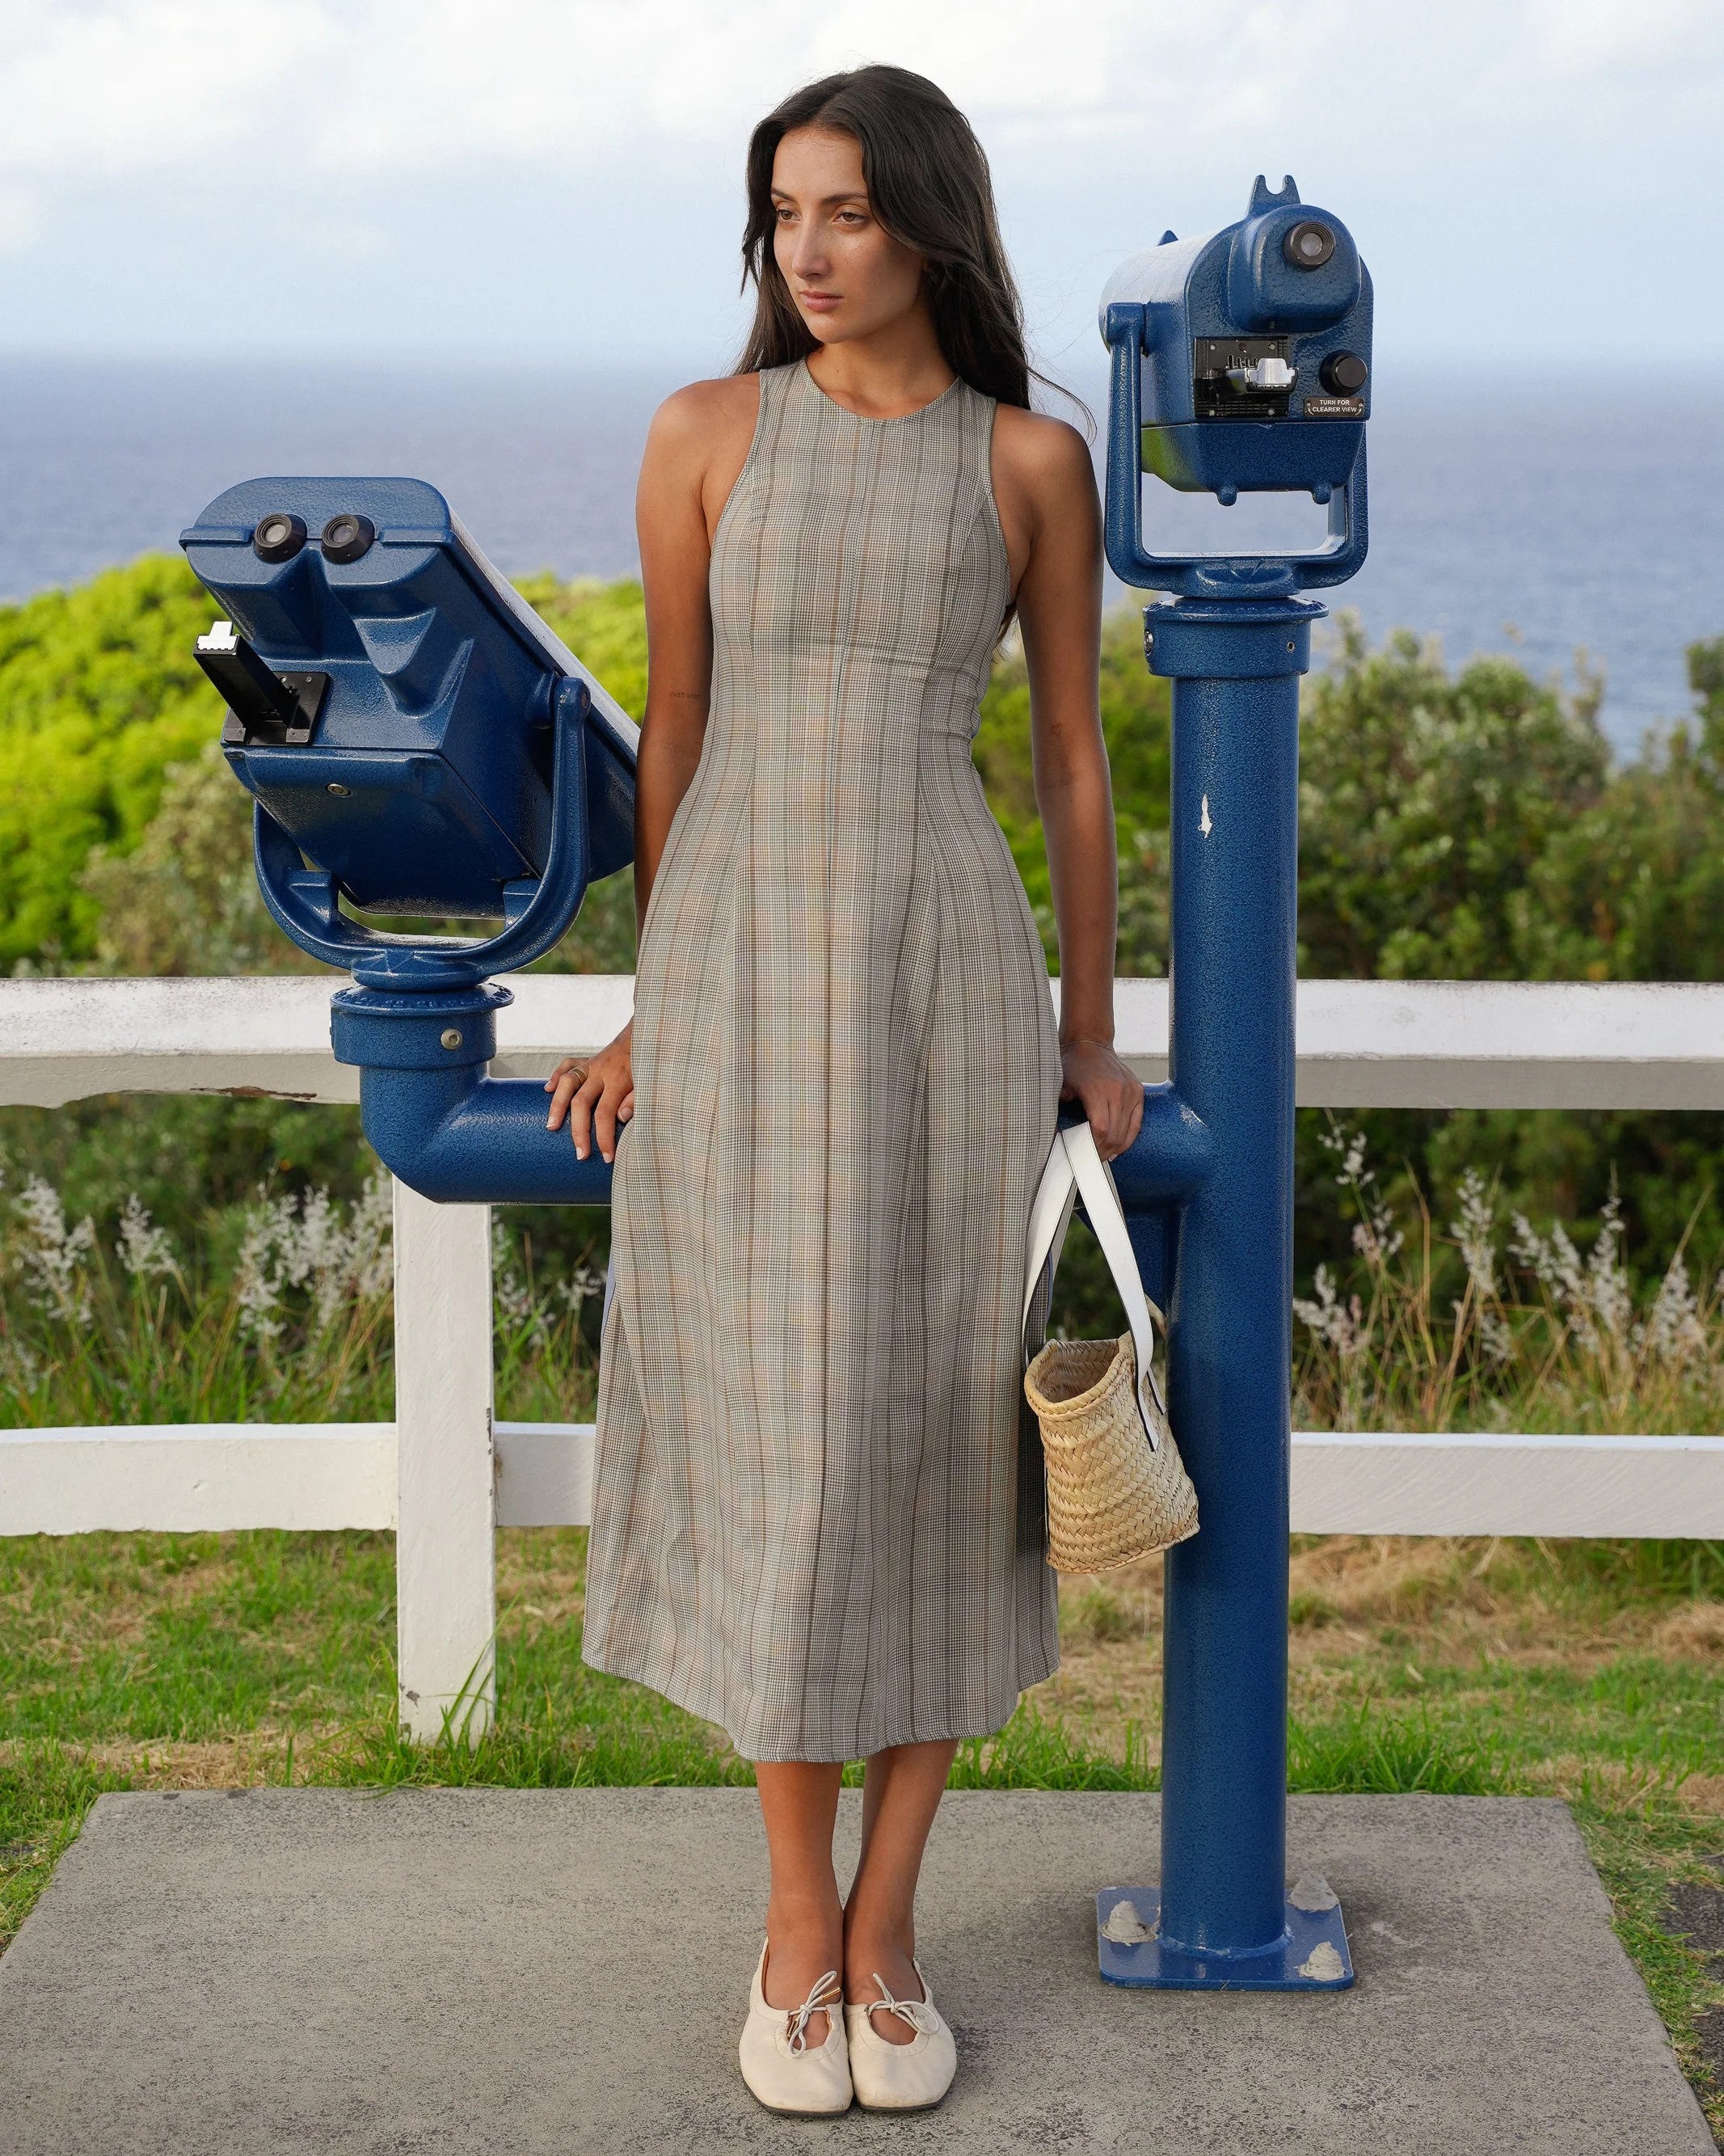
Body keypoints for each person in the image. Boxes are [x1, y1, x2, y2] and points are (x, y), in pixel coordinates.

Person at [544, 63, 1141, 2117]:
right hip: (736, 971)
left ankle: (891, 1920)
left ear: (928, 226)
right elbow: (673, 727)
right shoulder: (704, 433)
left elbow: (1068, 755)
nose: (806, 250)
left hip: (942, 975)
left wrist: (1087, 1030)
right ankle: (793, 1918)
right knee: (788, 1441)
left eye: (847, 212)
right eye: (783, 213)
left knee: (934, 1441)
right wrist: (648, 1010)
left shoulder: (1027, 461)